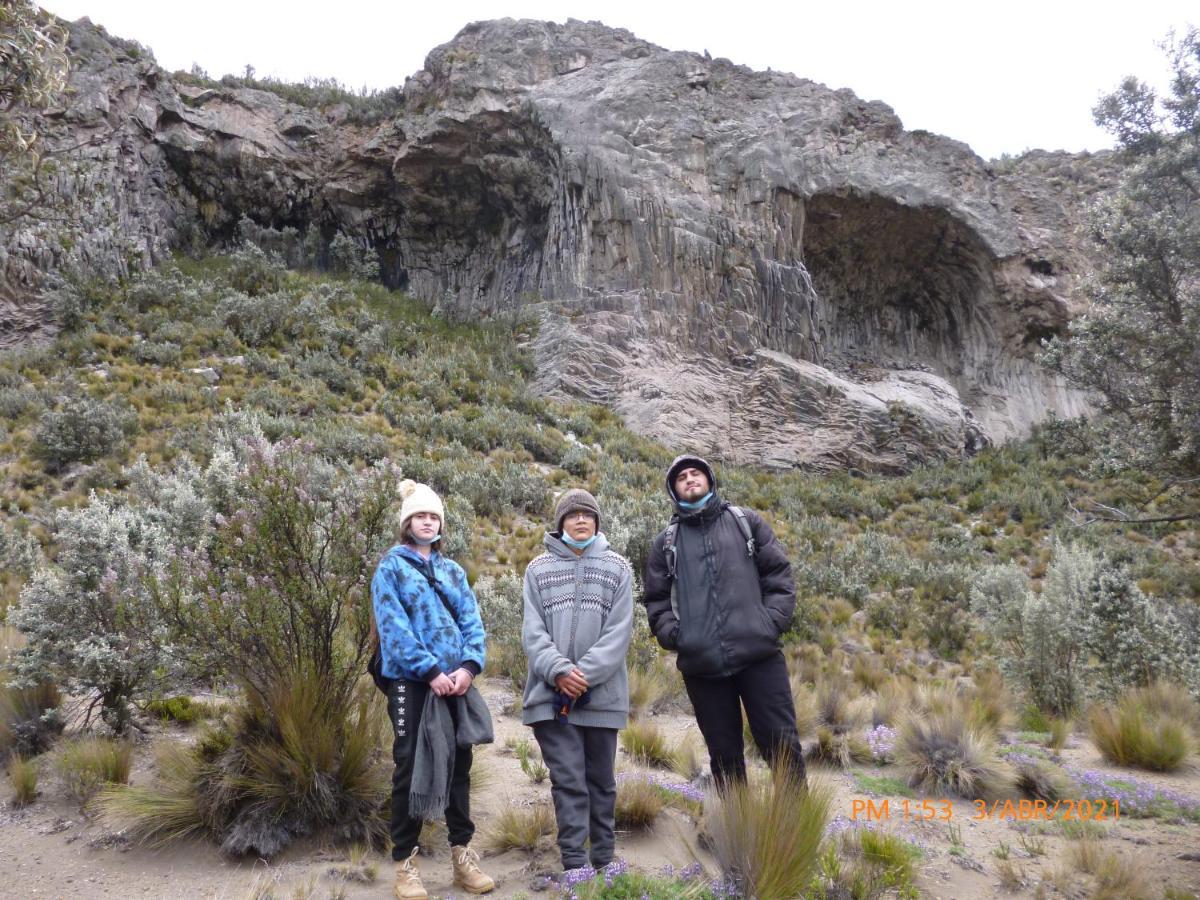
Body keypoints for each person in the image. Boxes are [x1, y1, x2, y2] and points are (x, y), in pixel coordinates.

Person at [642, 455, 806, 789]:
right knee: (724, 756)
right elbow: (656, 601)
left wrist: (770, 622)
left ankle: (797, 830)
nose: (689, 479)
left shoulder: (746, 521)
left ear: (709, 480)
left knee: (782, 746)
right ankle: (736, 827)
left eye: (695, 473)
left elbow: (778, 575)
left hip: (760, 656)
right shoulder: (666, 544)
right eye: (681, 477)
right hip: (703, 668)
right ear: (673, 489)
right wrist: (678, 636)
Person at [372, 479, 496, 899]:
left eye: (433, 516)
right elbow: (394, 629)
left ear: (441, 524)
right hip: (412, 683)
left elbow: (472, 622)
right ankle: (405, 865)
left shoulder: (451, 570)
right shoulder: (390, 568)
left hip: (455, 682)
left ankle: (462, 857)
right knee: (409, 766)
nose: (427, 522)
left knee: (460, 764)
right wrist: (429, 670)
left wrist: (469, 666)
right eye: (420, 516)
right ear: (406, 523)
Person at [521, 488, 633, 878]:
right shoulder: (537, 570)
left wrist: (581, 676)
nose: (581, 520)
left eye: (588, 514)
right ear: (561, 523)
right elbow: (532, 632)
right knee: (568, 781)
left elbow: (620, 633)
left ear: (597, 522)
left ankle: (603, 861)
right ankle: (574, 864)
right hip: (550, 699)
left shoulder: (619, 567)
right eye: (572, 515)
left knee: (601, 782)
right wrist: (558, 672)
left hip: (602, 698)